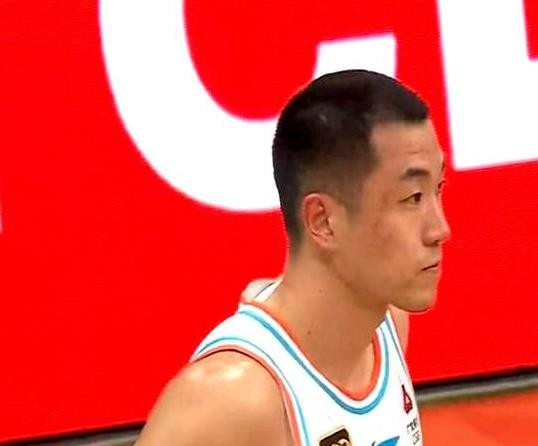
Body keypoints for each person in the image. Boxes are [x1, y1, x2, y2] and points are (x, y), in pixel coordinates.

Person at [135, 69, 450, 446]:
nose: (440, 229)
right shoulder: (232, 399)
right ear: (323, 221)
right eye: (412, 198)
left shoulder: (386, 326)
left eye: (438, 188)